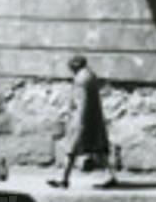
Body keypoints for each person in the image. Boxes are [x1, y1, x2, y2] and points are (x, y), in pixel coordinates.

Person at [48, 54, 116, 189]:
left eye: (71, 66)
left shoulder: (81, 79)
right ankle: (111, 176)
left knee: (71, 150)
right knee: (99, 149)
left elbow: (82, 103)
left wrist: (77, 122)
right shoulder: (90, 75)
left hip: (82, 120)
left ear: (75, 65)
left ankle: (64, 180)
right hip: (94, 120)